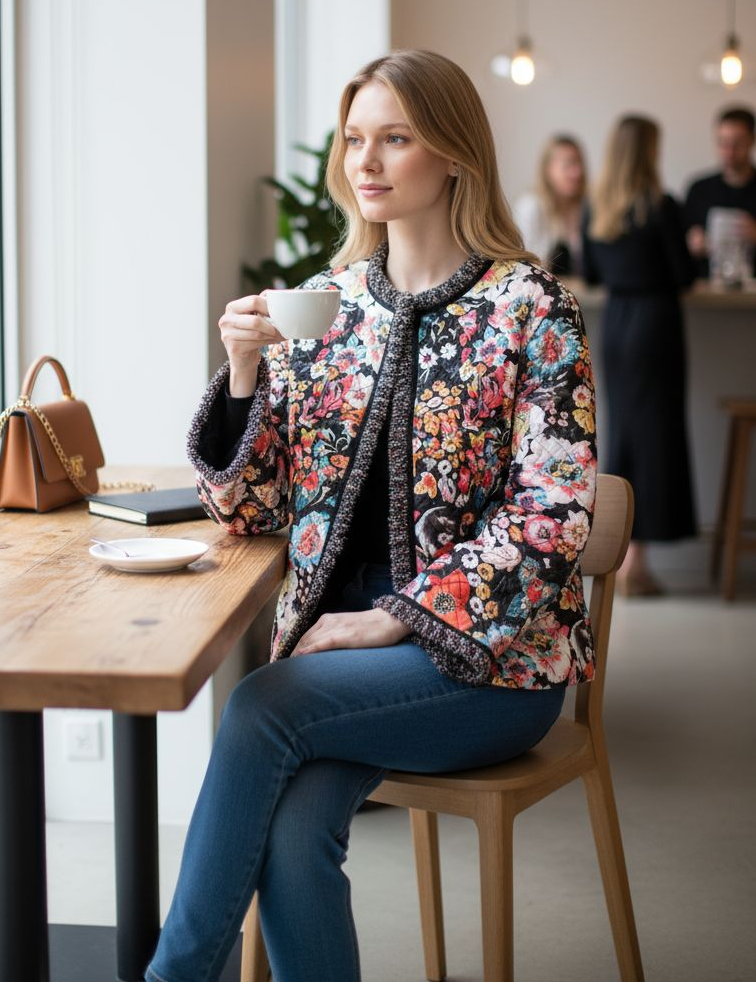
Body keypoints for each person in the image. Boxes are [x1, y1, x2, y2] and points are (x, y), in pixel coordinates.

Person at [145, 50, 597, 982]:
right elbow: (251, 509)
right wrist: (243, 373)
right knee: (293, 835)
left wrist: (394, 616)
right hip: (338, 658)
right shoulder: (329, 304)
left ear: (455, 154)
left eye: (395, 138)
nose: (367, 161)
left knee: (260, 708)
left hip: (492, 662)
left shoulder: (533, 308)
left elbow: (552, 518)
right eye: (355, 139)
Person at [583, 114, 696, 597]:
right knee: (654, 439)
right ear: (648, 151)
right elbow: (684, 275)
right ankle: (638, 567)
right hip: (655, 323)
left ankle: (621, 559)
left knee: (625, 436)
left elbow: (591, 273)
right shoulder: (661, 205)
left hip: (616, 323)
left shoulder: (596, 206)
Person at [684, 107, 756, 277]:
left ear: (753, 141)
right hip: (708, 288)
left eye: (737, 143)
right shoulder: (698, 190)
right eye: (723, 143)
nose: (729, 151)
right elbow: (678, 252)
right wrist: (693, 243)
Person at [513, 134, 588, 275]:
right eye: (568, 165)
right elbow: (526, 267)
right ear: (547, 169)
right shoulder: (531, 206)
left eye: (579, 163)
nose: (577, 172)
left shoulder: (586, 207)